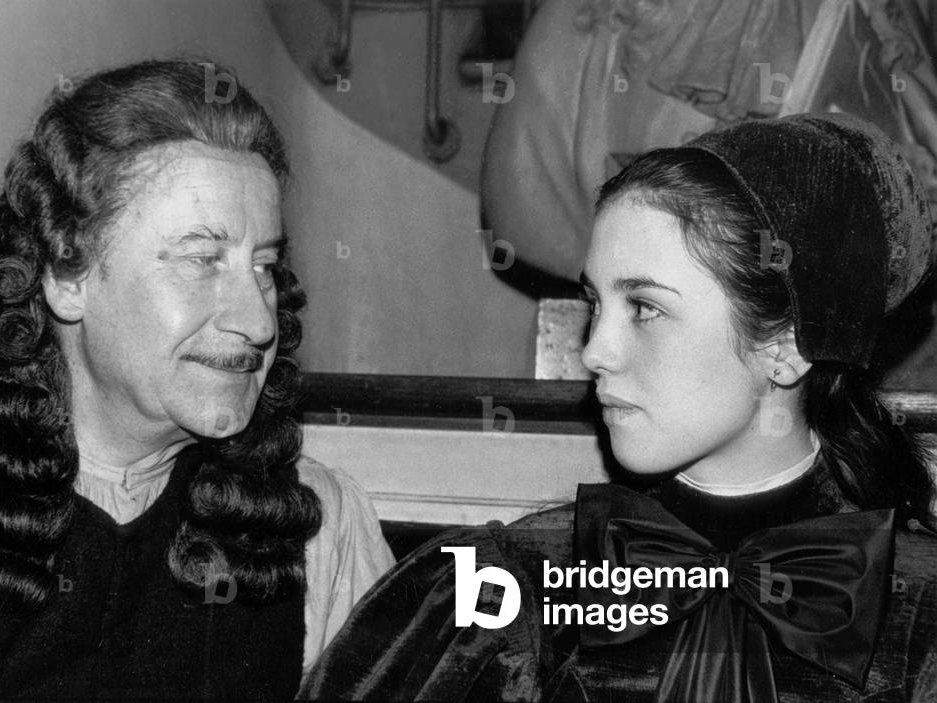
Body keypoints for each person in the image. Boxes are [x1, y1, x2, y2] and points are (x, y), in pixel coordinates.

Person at [299, 112, 937, 702]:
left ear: (785, 346)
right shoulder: (502, 591)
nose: (595, 350)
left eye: (645, 307)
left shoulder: (920, 610)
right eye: (595, 304)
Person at [0, 59, 394, 700]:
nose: (258, 321)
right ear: (68, 276)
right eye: (201, 259)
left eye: (265, 267)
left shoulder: (318, 526)